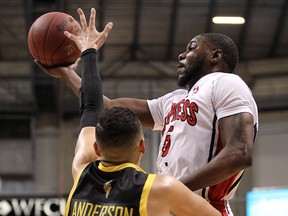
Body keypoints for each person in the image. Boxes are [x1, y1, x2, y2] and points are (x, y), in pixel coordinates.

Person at [36, 8, 259, 216]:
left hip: (202, 204)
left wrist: (171, 190)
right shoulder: (174, 99)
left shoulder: (226, 83)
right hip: (164, 203)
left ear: (216, 56)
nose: (182, 55)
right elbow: (105, 106)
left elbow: (240, 152)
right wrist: (66, 73)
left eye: (191, 48)